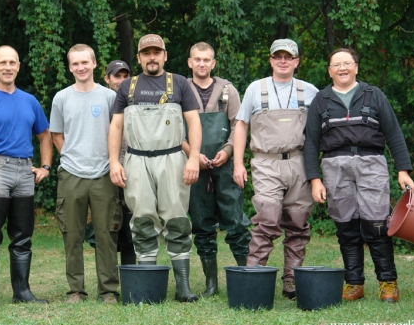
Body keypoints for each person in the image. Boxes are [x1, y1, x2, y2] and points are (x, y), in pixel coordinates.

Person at [304, 48, 414, 303]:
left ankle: (388, 282)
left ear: (356, 67)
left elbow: (394, 133)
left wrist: (403, 170)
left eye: (347, 63)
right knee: (346, 227)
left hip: (371, 164)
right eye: (336, 64)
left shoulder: (373, 95)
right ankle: (354, 284)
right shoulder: (320, 100)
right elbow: (310, 143)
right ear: (329, 70)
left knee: (376, 225)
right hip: (334, 167)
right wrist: (315, 179)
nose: (342, 68)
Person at [108, 34, 203, 302]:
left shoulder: (180, 84)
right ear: (138, 57)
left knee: (177, 218)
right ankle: (148, 285)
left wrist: (193, 158)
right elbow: (116, 126)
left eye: (156, 52)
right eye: (146, 53)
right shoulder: (127, 86)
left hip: (172, 159)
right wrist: (114, 161)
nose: (152, 57)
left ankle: (182, 286)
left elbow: (194, 123)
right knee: (142, 219)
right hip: (136, 160)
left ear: (164, 55)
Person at [0, 45, 52, 305]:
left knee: (23, 235)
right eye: (2, 63)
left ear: (18, 66)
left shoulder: (29, 101)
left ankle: (22, 292)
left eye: (12, 62)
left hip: (24, 171)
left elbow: (45, 135)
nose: (8, 67)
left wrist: (45, 166)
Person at [233, 39, 318, 299]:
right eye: (277, 56)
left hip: (300, 163)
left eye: (288, 57)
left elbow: (320, 132)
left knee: (298, 223)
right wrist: (238, 163)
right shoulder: (255, 89)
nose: (283, 61)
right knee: (267, 220)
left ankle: (291, 279)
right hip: (265, 163)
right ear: (270, 60)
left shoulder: (311, 91)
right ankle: (254, 276)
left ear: (296, 61)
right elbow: (240, 125)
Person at [50, 45, 122, 304]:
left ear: (94, 64)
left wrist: (113, 163)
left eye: (85, 62)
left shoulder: (109, 98)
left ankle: (109, 290)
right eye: (75, 63)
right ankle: (75, 291)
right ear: (70, 67)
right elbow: (57, 135)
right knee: (72, 235)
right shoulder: (61, 98)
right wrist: (71, 157)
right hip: (71, 174)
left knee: (106, 234)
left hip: (104, 173)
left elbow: (118, 132)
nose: (80, 67)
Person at [183, 42, 251, 297]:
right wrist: (192, 154)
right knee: (202, 226)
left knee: (236, 223)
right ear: (190, 62)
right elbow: (176, 129)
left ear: (213, 63)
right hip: (193, 167)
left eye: (207, 59)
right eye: (197, 59)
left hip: (224, 166)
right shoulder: (181, 89)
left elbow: (239, 125)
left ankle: (245, 277)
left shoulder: (228, 90)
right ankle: (211, 285)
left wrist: (229, 150)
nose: (202, 63)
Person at [83, 60, 136, 266]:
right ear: (107, 78)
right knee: (104, 230)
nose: (122, 81)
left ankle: (132, 281)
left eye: (126, 76)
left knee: (131, 230)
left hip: (131, 173)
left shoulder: (137, 101)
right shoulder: (100, 102)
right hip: (104, 174)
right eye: (117, 76)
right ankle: (108, 282)